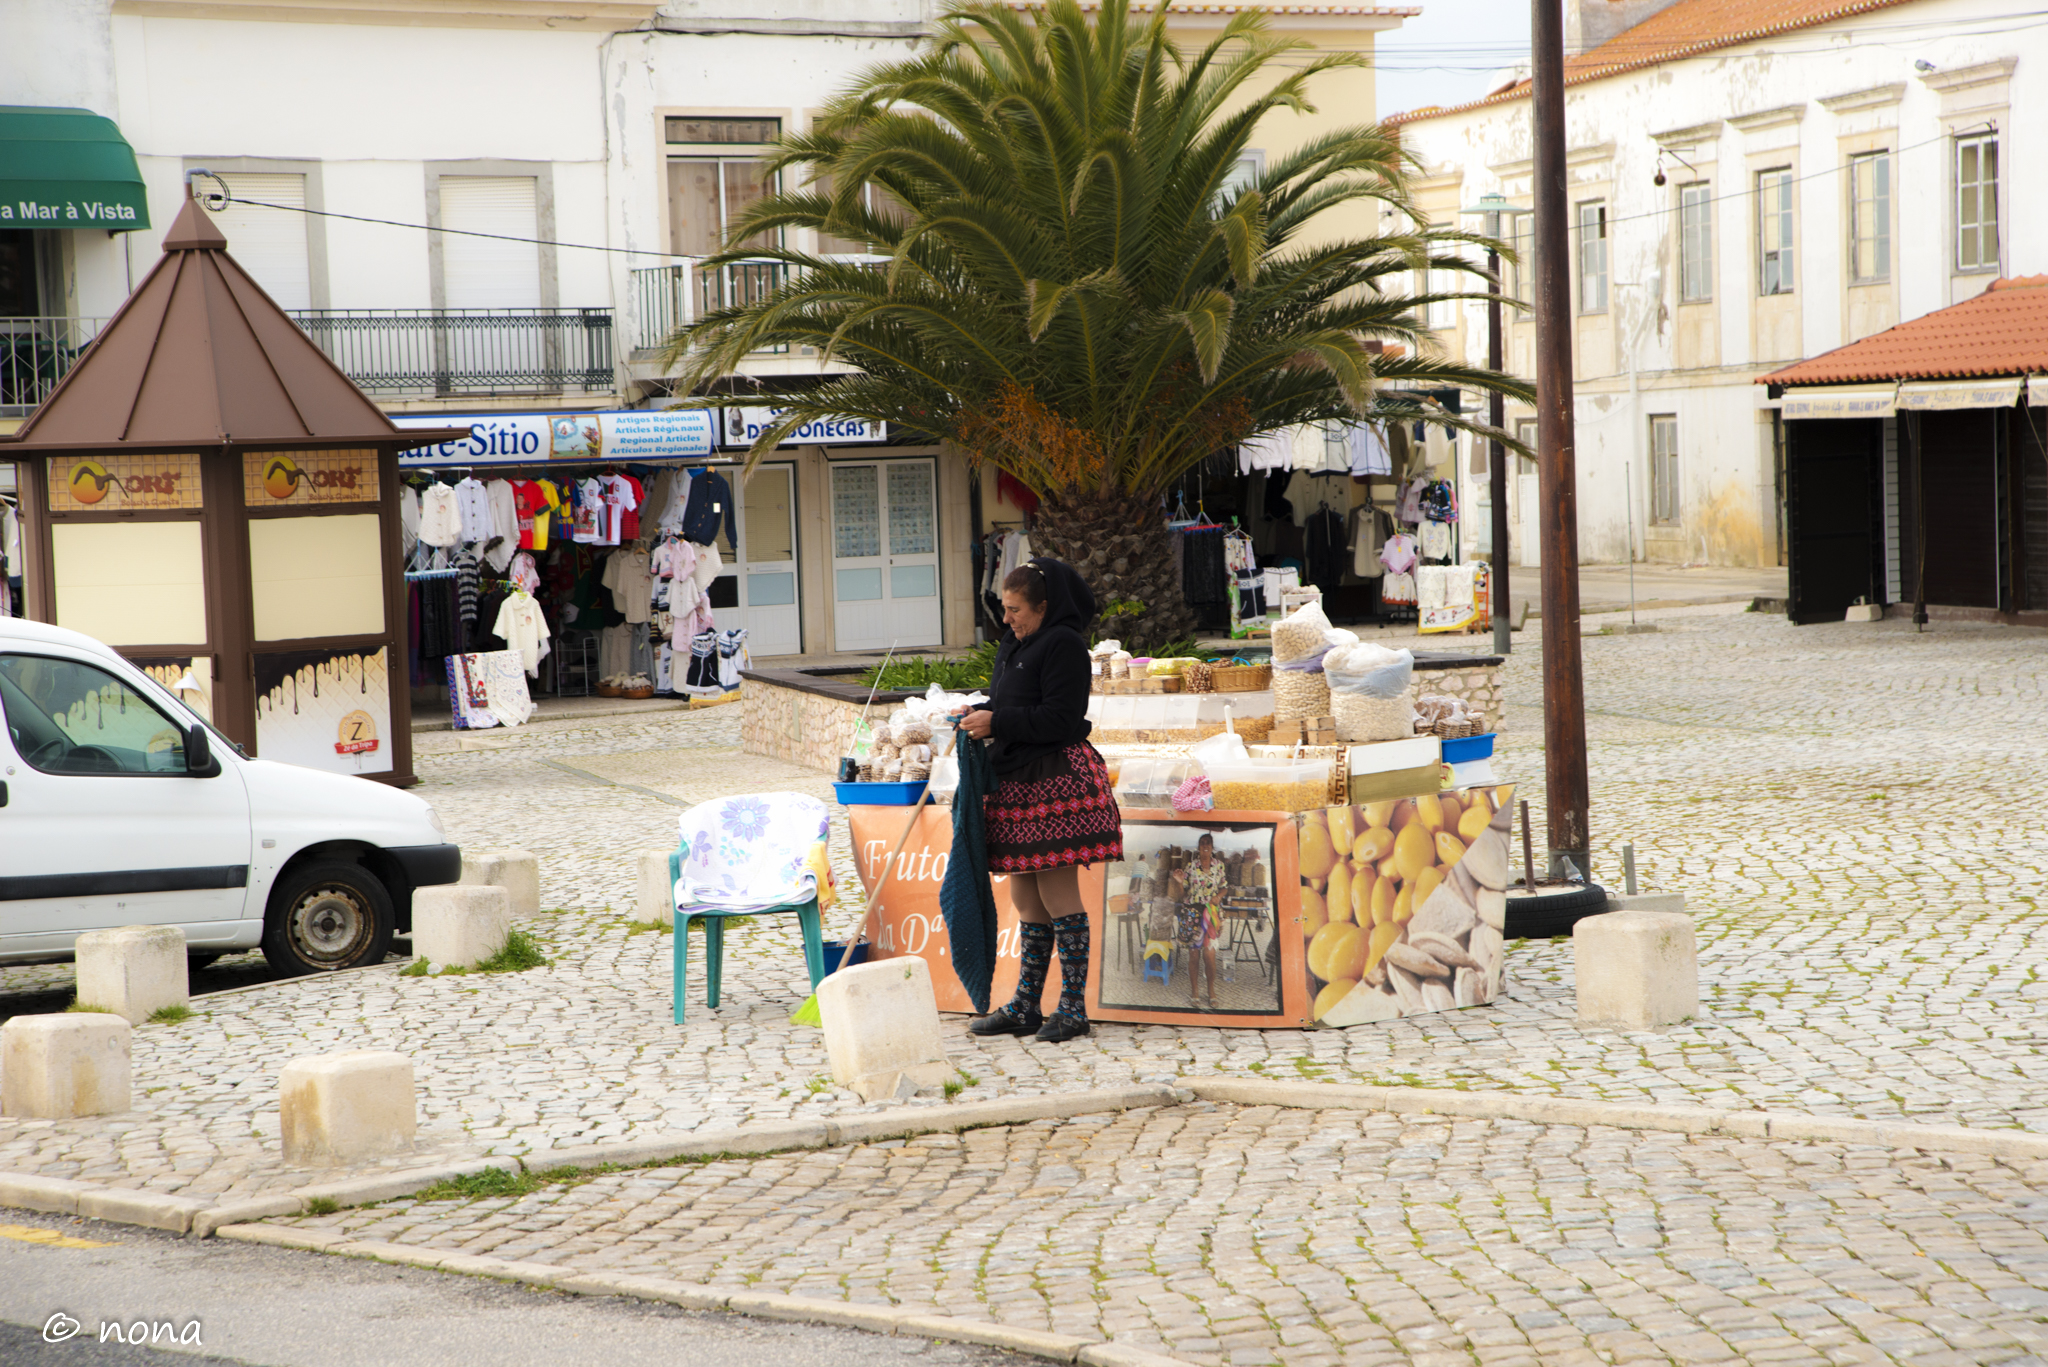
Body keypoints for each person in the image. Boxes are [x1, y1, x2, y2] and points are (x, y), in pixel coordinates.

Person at [957, 558, 1122, 1042]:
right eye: (1003, 609)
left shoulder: (1065, 645)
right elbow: (1013, 703)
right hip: (1017, 780)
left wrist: (998, 723)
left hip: (1055, 781)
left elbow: (1059, 717)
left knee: (1056, 891)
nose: (1006, 619)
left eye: (1015, 610)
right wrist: (981, 711)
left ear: (1044, 607)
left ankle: (1073, 1007)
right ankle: (1028, 1004)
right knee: (1024, 894)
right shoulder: (1016, 643)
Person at [1179, 833, 1228, 1009]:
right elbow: (1183, 893)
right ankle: (1195, 991)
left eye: (1208, 843)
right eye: (1202, 843)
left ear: (1212, 847)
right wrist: (1178, 882)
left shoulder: (1219, 866)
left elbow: (1224, 888)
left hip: (1211, 916)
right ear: (1198, 847)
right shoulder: (1191, 867)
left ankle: (1211, 991)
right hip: (1193, 915)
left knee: (1209, 956)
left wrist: (1218, 897)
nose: (1205, 846)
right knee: (1193, 956)